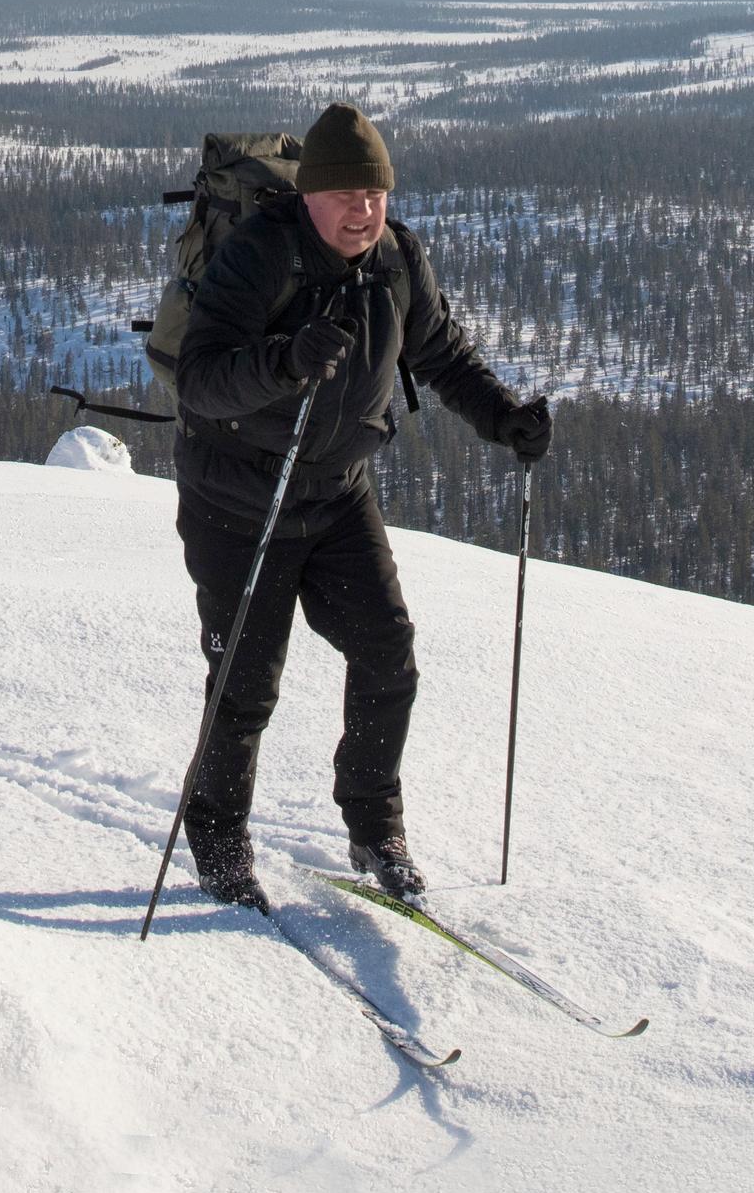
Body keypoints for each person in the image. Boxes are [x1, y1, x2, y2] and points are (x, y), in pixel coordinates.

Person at [173, 102, 550, 910]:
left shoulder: (396, 257)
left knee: (387, 654)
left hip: (337, 495)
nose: (363, 210)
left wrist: (501, 417)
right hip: (241, 502)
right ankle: (216, 833)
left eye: (375, 193)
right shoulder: (256, 257)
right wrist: (283, 360)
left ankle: (374, 827)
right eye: (346, 195)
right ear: (308, 194)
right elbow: (202, 382)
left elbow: (441, 353)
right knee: (245, 683)